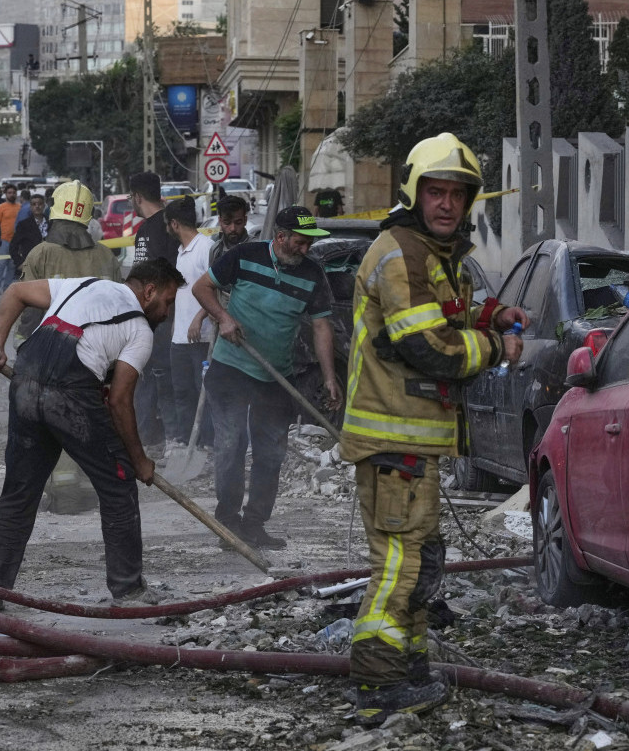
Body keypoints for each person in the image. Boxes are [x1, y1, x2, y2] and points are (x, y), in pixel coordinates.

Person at [339, 133, 527, 723]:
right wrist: (498, 344)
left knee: (420, 559)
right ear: (414, 193)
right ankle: (378, 685)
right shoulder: (400, 252)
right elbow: (427, 345)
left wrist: (489, 312)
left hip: (413, 441)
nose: (446, 203)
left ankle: (409, 669)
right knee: (399, 562)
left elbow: (444, 311)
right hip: (393, 438)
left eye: (457, 193)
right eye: (436, 191)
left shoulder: (430, 254)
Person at [0, 258, 184, 605]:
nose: (167, 313)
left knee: (19, 493)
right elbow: (119, 401)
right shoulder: (139, 330)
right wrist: (138, 461)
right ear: (149, 292)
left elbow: (15, 291)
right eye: (168, 302)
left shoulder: (83, 283)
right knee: (119, 487)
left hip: (26, 385)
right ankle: (128, 589)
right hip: (69, 397)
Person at [192, 206, 341, 550]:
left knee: (271, 452)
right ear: (280, 237)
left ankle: (255, 524)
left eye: (309, 244)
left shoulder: (313, 274)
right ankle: (228, 523)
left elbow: (321, 325)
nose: (306, 249)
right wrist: (223, 318)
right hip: (231, 369)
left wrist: (330, 377)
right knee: (230, 446)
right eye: (301, 243)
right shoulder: (244, 256)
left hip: (276, 378)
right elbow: (202, 288)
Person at [15, 181, 119, 338]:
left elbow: (30, 310)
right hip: (99, 344)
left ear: (54, 210)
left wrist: (24, 345)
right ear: (88, 213)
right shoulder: (107, 255)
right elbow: (118, 304)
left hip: (52, 343)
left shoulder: (39, 254)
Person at [128, 171, 181, 452]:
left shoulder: (160, 229)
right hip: (153, 317)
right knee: (149, 376)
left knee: (156, 376)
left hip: (161, 318)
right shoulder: (155, 227)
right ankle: (152, 437)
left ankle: (163, 439)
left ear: (137, 197)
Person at [163, 196, 215, 447]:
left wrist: (199, 316)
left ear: (174, 224)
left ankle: (206, 443)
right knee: (182, 393)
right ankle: (187, 443)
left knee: (203, 393)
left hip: (201, 337)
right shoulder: (181, 251)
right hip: (180, 338)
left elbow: (217, 288)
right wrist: (176, 324)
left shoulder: (206, 247)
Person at [0, 183, 21, 293]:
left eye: (14, 192)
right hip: (3, 240)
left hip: (16, 241)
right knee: (1, 264)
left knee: (12, 265)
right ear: (5, 194)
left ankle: (7, 289)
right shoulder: (1, 207)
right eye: (9, 193)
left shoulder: (19, 207)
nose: (12, 194)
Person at [9, 192, 47, 272]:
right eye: (34, 204)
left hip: (50, 265)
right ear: (30, 207)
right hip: (30, 265)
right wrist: (19, 263)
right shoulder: (23, 225)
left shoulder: (52, 223)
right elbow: (13, 246)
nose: (37, 206)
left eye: (40, 204)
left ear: (44, 205)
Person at [209, 194, 250, 267]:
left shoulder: (257, 247)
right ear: (220, 221)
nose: (233, 228)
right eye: (227, 223)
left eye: (238, 223)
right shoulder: (216, 250)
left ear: (245, 220)